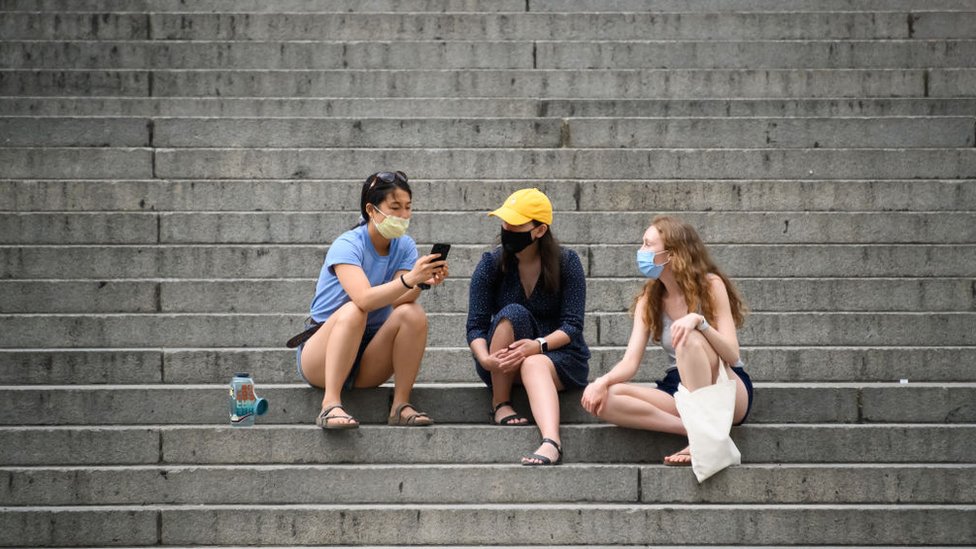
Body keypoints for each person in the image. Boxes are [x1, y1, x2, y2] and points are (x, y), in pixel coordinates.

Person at [580, 215, 754, 465]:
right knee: (606, 398)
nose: (641, 251)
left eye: (648, 245)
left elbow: (732, 355)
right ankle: (699, 432)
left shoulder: (711, 285)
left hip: (724, 384)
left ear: (671, 254)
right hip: (679, 386)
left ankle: (702, 438)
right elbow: (630, 362)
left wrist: (700, 323)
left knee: (688, 337)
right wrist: (601, 382)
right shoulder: (649, 298)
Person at [295, 171, 448, 429]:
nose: (403, 215)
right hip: (321, 354)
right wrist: (411, 278)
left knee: (413, 313)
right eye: (395, 207)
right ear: (372, 209)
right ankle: (330, 404)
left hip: (368, 356)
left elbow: (401, 298)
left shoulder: (404, 245)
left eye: (408, 207)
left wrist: (423, 281)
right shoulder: (347, 245)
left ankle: (400, 405)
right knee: (355, 310)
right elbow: (365, 299)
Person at [466, 188, 590, 466]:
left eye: (516, 224)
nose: (507, 229)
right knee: (512, 313)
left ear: (539, 230)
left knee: (533, 363)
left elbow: (572, 326)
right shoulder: (490, 264)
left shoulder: (566, 263)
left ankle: (551, 442)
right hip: (502, 361)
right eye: (504, 222)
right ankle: (500, 403)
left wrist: (538, 346)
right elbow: (475, 326)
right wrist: (485, 358)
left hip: (561, 358)